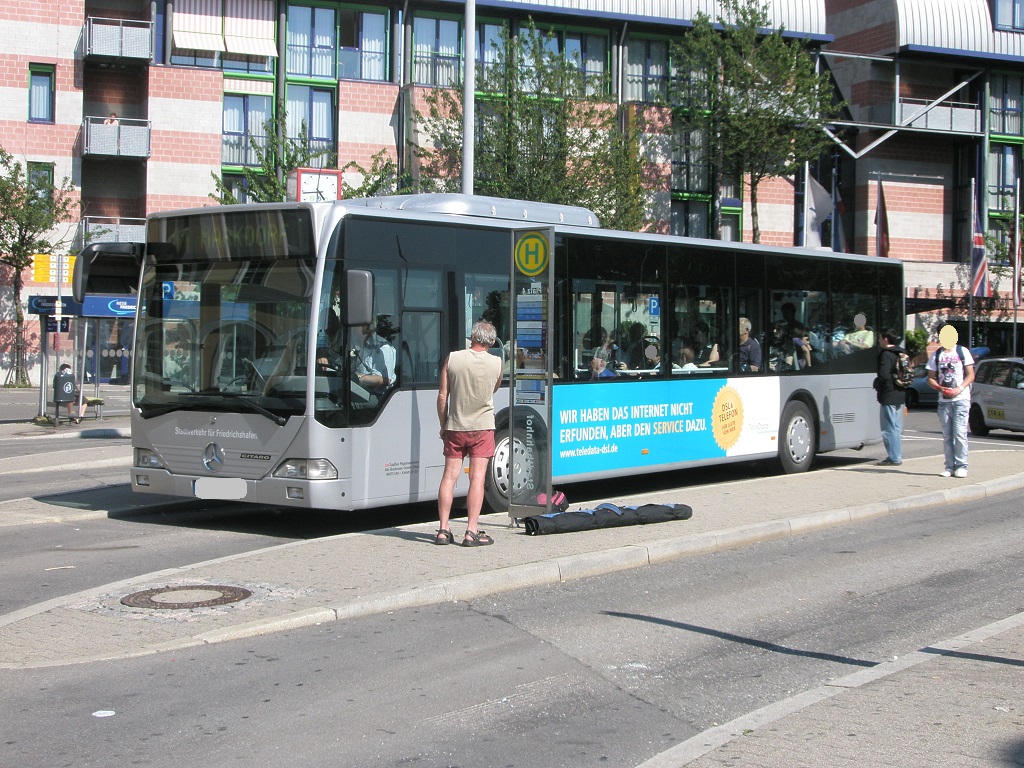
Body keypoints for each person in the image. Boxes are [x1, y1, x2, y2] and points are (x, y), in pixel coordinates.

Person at [436, 320, 504, 547]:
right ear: (492, 341)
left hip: (455, 427)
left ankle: (443, 530)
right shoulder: (497, 362)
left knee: (449, 477)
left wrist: (443, 424)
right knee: (476, 479)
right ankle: (471, 531)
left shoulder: (453, 358)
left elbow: (443, 396)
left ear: (472, 337)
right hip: (482, 428)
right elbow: (494, 388)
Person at [926, 324, 975, 478]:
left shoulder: (962, 351)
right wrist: (941, 389)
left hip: (961, 399)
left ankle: (961, 465)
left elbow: (971, 375)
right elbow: (930, 378)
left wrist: (958, 389)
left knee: (960, 433)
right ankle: (949, 466)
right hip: (944, 400)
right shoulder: (937, 355)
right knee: (947, 435)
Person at [874, 329, 906, 466]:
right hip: (900, 392)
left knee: (888, 427)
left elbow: (884, 375)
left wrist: (877, 384)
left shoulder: (886, 354)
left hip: (888, 394)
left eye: (880, 338)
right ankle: (896, 455)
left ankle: (894, 457)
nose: (879, 341)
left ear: (886, 339)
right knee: (896, 427)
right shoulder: (902, 352)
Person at [353, 320, 396, 393]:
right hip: (358, 390)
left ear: (366, 327)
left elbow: (386, 379)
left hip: (377, 396)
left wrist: (359, 378)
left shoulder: (383, 347)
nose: (353, 329)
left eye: (356, 326)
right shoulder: (359, 343)